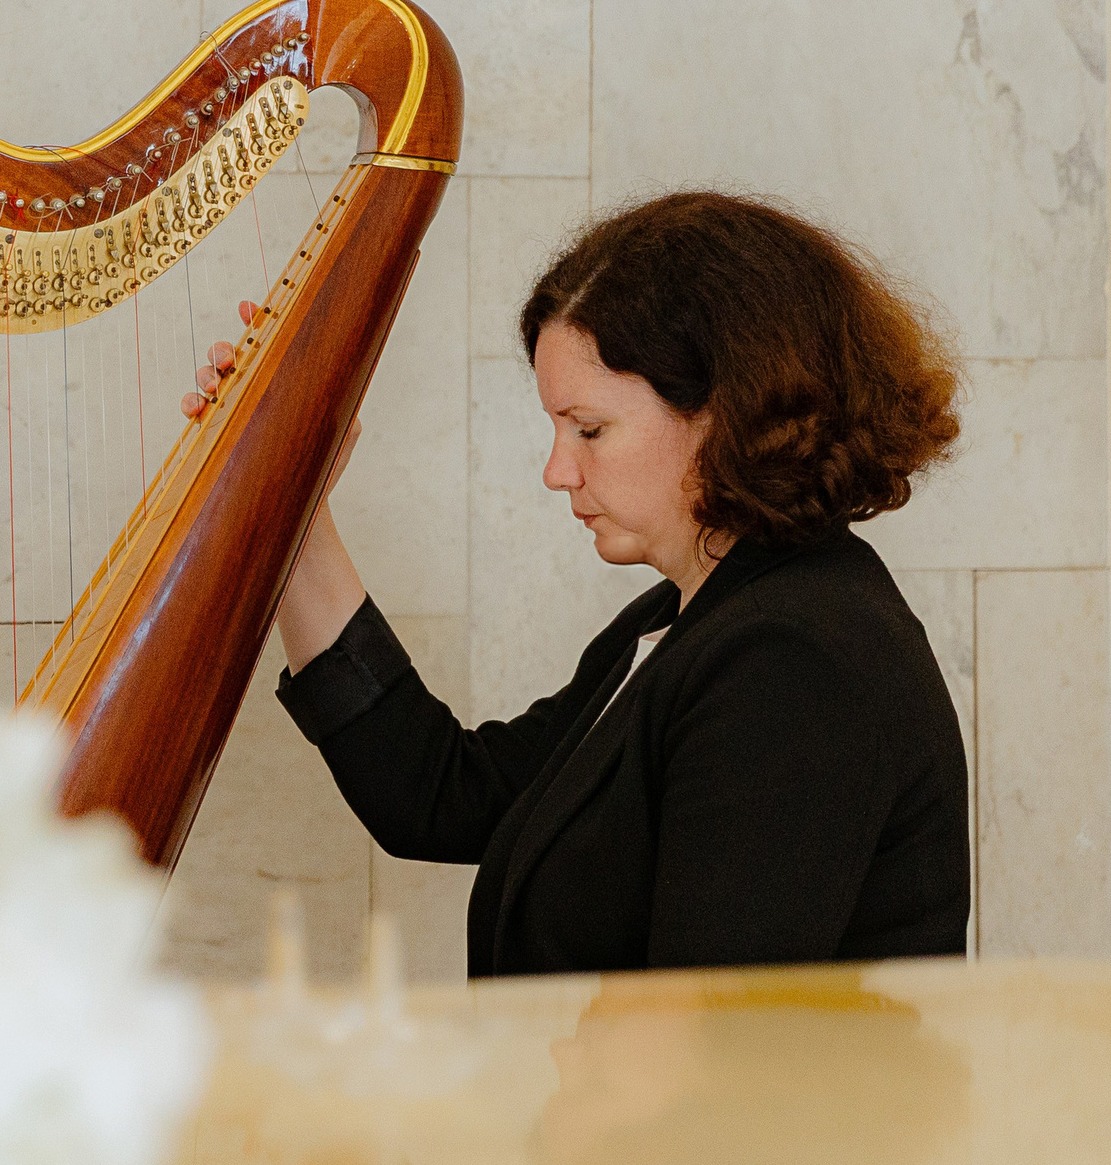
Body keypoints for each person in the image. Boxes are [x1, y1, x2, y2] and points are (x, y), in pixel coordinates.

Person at [184, 190, 970, 975]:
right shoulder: (687, 619)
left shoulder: (796, 661)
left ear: (730, 410)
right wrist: (291, 503)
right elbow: (443, 799)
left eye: (589, 430)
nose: (558, 472)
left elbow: (711, 1040)